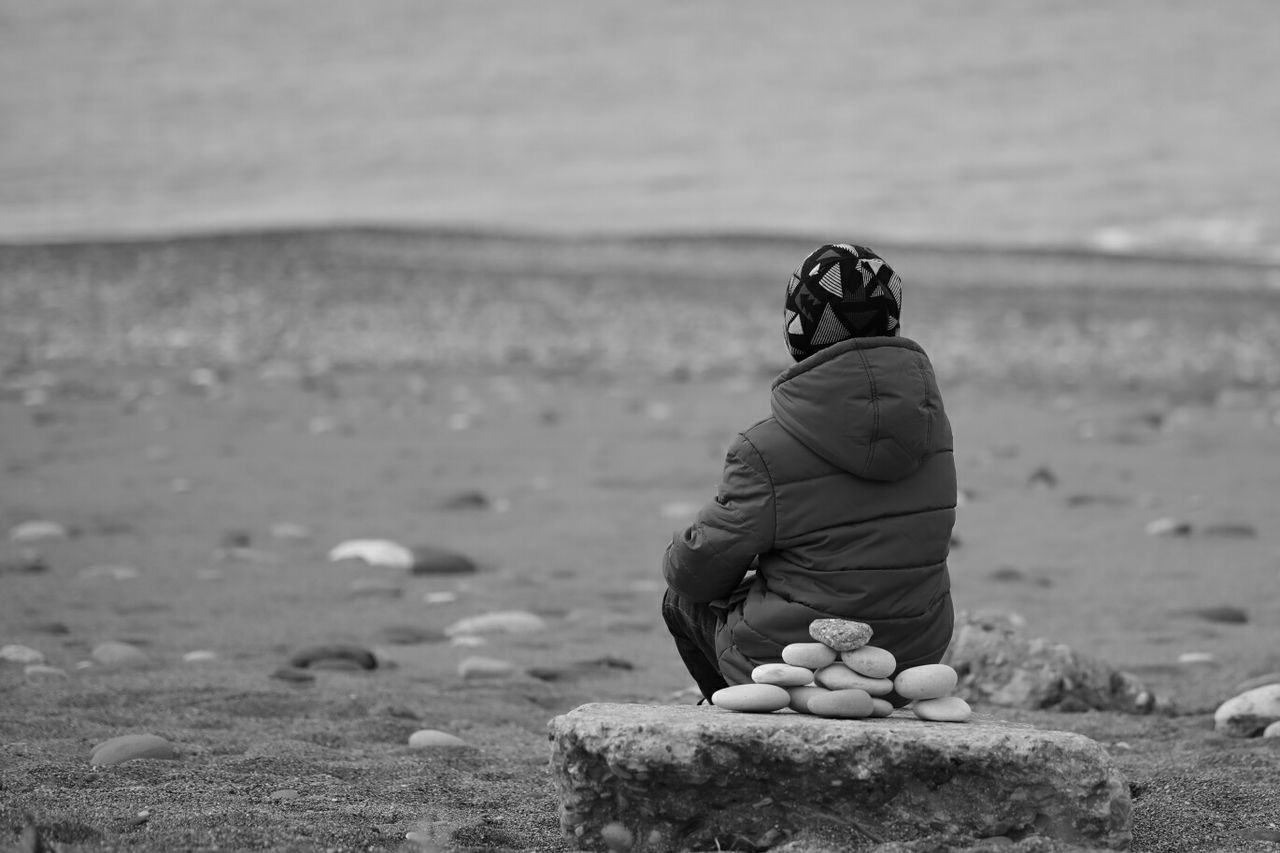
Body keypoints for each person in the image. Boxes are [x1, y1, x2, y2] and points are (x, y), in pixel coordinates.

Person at [660, 242, 956, 703]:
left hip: (793, 661)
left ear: (798, 329)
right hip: (909, 661)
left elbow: (697, 574)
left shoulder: (764, 447)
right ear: (891, 321)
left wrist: (684, 547)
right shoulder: (931, 429)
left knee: (682, 601)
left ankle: (729, 713)